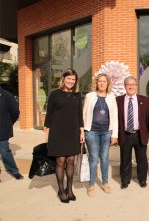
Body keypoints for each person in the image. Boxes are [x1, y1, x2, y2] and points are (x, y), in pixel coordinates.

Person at [44, 69, 84, 203]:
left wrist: (82, 131)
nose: (71, 81)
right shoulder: (55, 94)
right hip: (58, 132)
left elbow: (80, 115)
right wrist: (46, 131)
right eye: (69, 79)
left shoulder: (77, 95)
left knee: (71, 161)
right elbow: (49, 114)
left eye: (73, 79)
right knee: (60, 161)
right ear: (63, 79)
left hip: (73, 131)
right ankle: (61, 190)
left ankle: (69, 189)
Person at [83, 74, 118, 196]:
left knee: (104, 158)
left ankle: (105, 183)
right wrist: (82, 132)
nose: (102, 83)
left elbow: (115, 117)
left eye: (104, 81)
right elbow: (84, 114)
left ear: (108, 83)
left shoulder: (112, 97)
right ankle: (91, 184)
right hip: (91, 131)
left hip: (106, 132)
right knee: (93, 158)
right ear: (96, 83)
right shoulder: (89, 96)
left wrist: (115, 135)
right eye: (100, 81)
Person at [116, 76, 149, 189]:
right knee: (125, 159)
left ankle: (142, 180)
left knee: (142, 159)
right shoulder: (118, 100)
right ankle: (125, 181)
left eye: (133, 84)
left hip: (139, 134)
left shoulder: (144, 100)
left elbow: (148, 118)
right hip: (125, 134)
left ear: (136, 86)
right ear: (125, 86)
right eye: (128, 84)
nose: (130, 86)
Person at [0, 86, 23, 180]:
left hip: (2, 129)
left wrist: (9, 123)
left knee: (4, 151)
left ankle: (14, 171)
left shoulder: (7, 95)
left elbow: (15, 112)